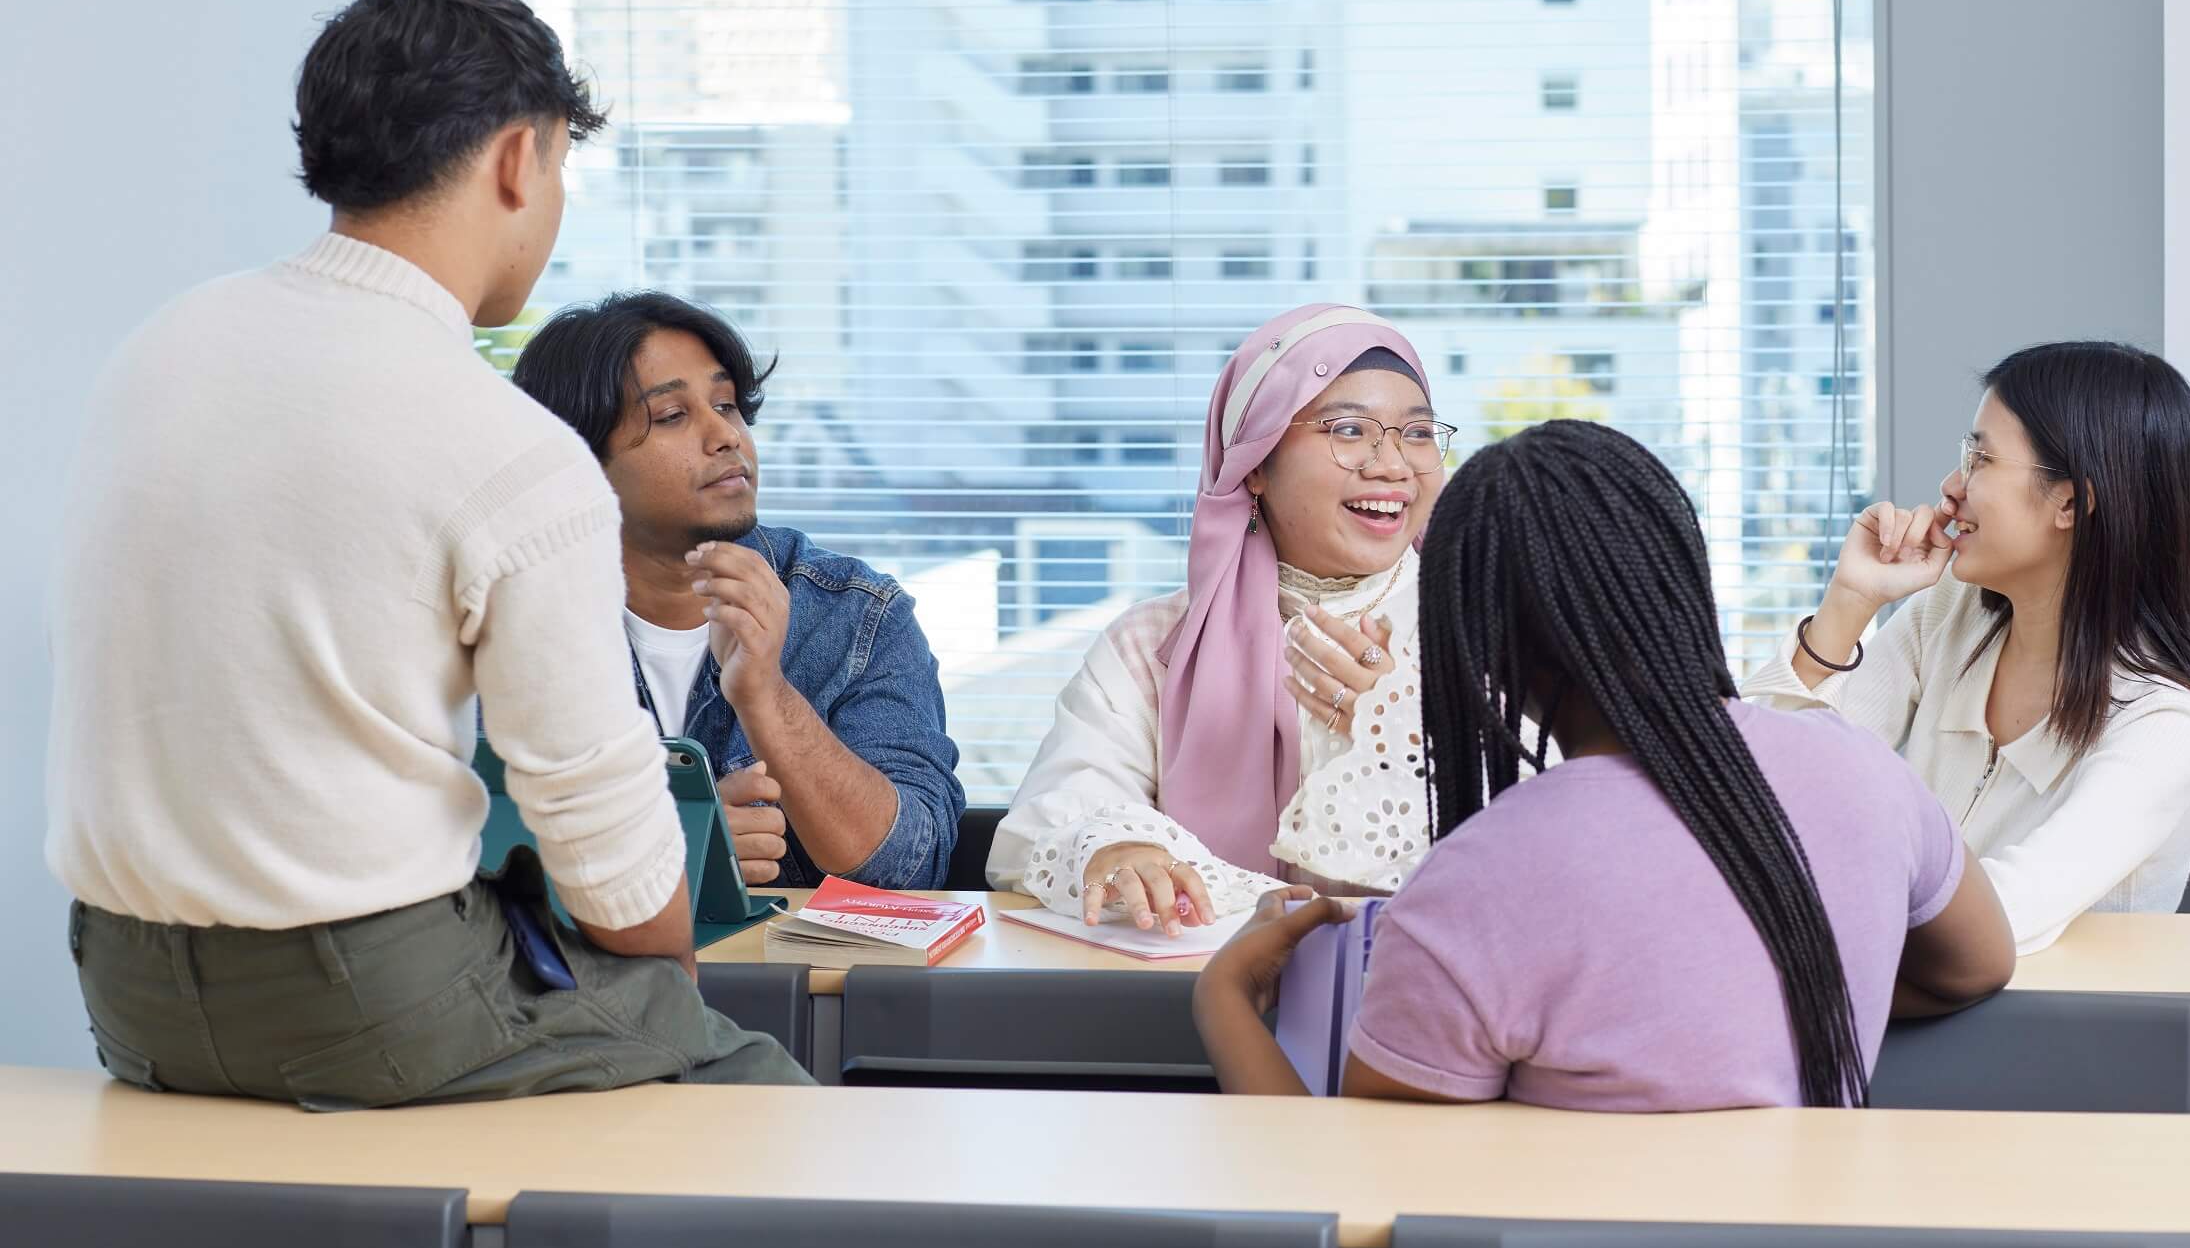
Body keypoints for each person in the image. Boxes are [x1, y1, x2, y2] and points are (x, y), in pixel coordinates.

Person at [47, 0, 808, 1106]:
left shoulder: (157, 354)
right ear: (518, 158)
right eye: (560, 164)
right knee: (757, 1086)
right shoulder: (504, 445)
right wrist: (665, 1017)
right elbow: (609, 853)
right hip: (362, 996)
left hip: (124, 989)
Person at [1193, 421, 2017, 1107]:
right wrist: (1793, 976)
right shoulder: (1864, 774)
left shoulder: (1476, 881)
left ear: (1487, 653)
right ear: (1682, 578)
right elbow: (1978, 966)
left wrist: (1228, 1001)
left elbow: (1360, 1180)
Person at [1740, 342, 2190, 953]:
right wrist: (1849, 602)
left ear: (2073, 501)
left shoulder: (2165, 722)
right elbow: (1764, 799)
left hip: (2052, 1039)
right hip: (1892, 1013)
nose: (1951, 486)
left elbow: (2002, 915)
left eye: (1981, 457)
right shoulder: (1948, 615)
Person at [988, 304, 1454, 935]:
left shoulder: (1484, 635)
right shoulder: (1154, 646)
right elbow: (1056, 813)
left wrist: (1409, 740)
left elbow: (1554, 838)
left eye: (1419, 433)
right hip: (1193, 1002)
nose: (1393, 464)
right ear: (1254, 464)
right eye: (1349, 429)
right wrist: (1117, 850)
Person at [509, 291, 965, 890]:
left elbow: (909, 869)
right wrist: (662, 845)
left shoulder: (856, 613)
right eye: (673, 415)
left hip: (794, 984)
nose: (725, 435)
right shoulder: (505, 623)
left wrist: (766, 694)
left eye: (726, 405)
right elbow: (439, 859)